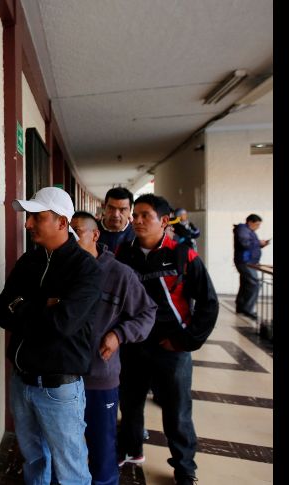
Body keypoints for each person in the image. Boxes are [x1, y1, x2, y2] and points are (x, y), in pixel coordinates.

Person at [0, 187, 102, 485]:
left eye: (37, 217)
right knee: (34, 461)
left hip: (59, 390)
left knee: (71, 472)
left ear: (62, 222)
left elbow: (62, 325)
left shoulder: (86, 269)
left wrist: (22, 306)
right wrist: (45, 304)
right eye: (29, 217)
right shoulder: (28, 261)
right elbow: (2, 313)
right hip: (21, 383)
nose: (27, 224)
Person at [115, 194, 219, 485]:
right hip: (133, 346)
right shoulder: (124, 254)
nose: (137, 221)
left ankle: (184, 467)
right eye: (135, 215)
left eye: (144, 215)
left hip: (171, 349)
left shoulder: (182, 255)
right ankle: (130, 449)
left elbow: (209, 302)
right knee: (130, 404)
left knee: (177, 411)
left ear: (163, 221)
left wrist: (186, 341)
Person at [70, 212, 157, 485]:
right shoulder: (63, 270)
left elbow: (147, 313)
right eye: (67, 232)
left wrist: (118, 334)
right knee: (65, 446)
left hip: (99, 378)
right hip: (63, 377)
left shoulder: (120, 274)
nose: (71, 238)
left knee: (102, 447)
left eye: (77, 232)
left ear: (95, 235)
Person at [233, 214, 270, 319]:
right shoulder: (243, 230)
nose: (258, 227)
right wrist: (258, 242)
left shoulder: (249, 231)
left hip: (249, 262)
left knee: (246, 284)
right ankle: (248, 309)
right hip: (245, 262)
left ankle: (241, 307)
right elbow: (245, 243)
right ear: (250, 222)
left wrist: (261, 244)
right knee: (254, 284)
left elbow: (251, 246)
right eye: (257, 224)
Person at [97, 187, 135, 253]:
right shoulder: (90, 231)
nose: (116, 215)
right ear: (104, 207)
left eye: (122, 209)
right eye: (111, 208)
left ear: (130, 211)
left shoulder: (137, 235)